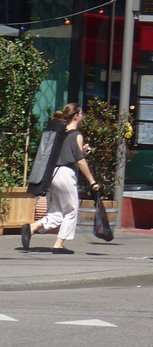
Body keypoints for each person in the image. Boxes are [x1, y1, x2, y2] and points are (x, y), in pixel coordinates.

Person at [20, 103, 100, 254]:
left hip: (52, 173)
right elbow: (80, 162)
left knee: (56, 214)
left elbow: (65, 151)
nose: (82, 116)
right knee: (71, 210)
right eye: (81, 113)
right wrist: (92, 181)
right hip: (65, 174)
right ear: (76, 115)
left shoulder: (60, 132)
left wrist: (80, 150)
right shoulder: (77, 134)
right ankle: (59, 245)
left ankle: (31, 227)